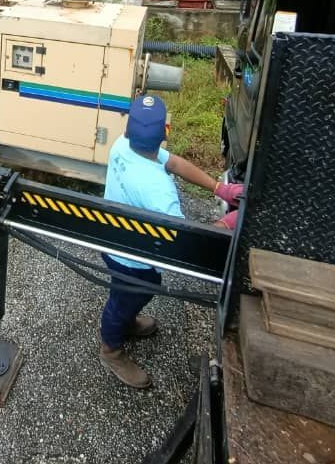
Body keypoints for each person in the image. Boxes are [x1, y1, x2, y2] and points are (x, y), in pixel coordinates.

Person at [98, 94, 244, 388]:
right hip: (133, 259)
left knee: (132, 295)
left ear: (128, 129)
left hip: (113, 238)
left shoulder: (121, 145)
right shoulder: (159, 191)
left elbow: (174, 162)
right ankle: (110, 350)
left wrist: (220, 188)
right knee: (125, 299)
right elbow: (184, 240)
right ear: (166, 132)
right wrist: (228, 223)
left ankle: (127, 322)